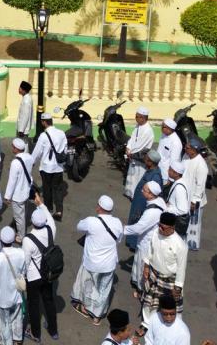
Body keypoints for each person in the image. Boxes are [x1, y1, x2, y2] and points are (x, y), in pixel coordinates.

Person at [72, 195, 124, 323]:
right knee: (104, 290)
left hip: (92, 263)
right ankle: (97, 317)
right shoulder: (118, 222)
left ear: (99, 207)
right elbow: (119, 239)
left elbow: (79, 226)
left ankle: (85, 309)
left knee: (88, 286)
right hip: (109, 264)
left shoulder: (91, 221)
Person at [139, 213, 188, 322]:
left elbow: (181, 268)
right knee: (149, 303)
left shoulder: (180, 245)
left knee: (168, 306)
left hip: (169, 279)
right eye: (159, 225)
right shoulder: (155, 233)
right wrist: (146, 267)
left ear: (172, 227)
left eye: (163, 227)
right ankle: (147, 324)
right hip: (154, 274)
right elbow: (150, 251)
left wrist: (177, 288)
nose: (160, 229)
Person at [24, 208, 59, 341]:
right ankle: (53, 330)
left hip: (34, 277)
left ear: (32, 222)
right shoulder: (51, 230)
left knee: (33, 304)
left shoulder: (28, 239)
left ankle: (35, 333)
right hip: (48, 273)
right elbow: (50, 219)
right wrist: (41, 204)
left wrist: (22, 276)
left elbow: (26, 261)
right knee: (49, 301)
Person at [0, 227, 26, 345]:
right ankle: (18, 340)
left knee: (3, 326)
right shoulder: (21, 253)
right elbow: (23, 273)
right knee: (17, 321)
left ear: (1, 240)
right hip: (17, 295)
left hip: (2, 298)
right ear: (14, 239)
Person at [31, 112, 68, 219]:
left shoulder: (43, 136)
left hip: (46, 167)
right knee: (58, 189)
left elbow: (37, 152)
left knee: (47, 189)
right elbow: (65, 149)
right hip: (58, 167)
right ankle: (59, 211)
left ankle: (48, 209)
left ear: (44, 122)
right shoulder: (61, 133)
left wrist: (31, 163)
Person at [4, 138, 33, 236]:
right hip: (26, 190)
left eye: (13, 146)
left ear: (16, 149)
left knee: (19, 217)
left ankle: (21, 236)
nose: (12, 148)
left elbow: (12, 181)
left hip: (18, 194)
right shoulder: (29, 157)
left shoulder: (15, 163)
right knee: (23, 213)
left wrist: (7, 196)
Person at [124, 107, 154, 199]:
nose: (136, 118)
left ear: (144, 118)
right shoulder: (138, 126)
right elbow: (132, 138)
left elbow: (141, 145)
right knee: (132, 176)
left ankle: (136, 196)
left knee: (138, 177)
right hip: (133, 155)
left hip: (140, 157)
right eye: (136, 116)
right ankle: (130, 193)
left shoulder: (148, 130)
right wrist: (128, 147)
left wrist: (130, 153)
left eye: (138, 117)